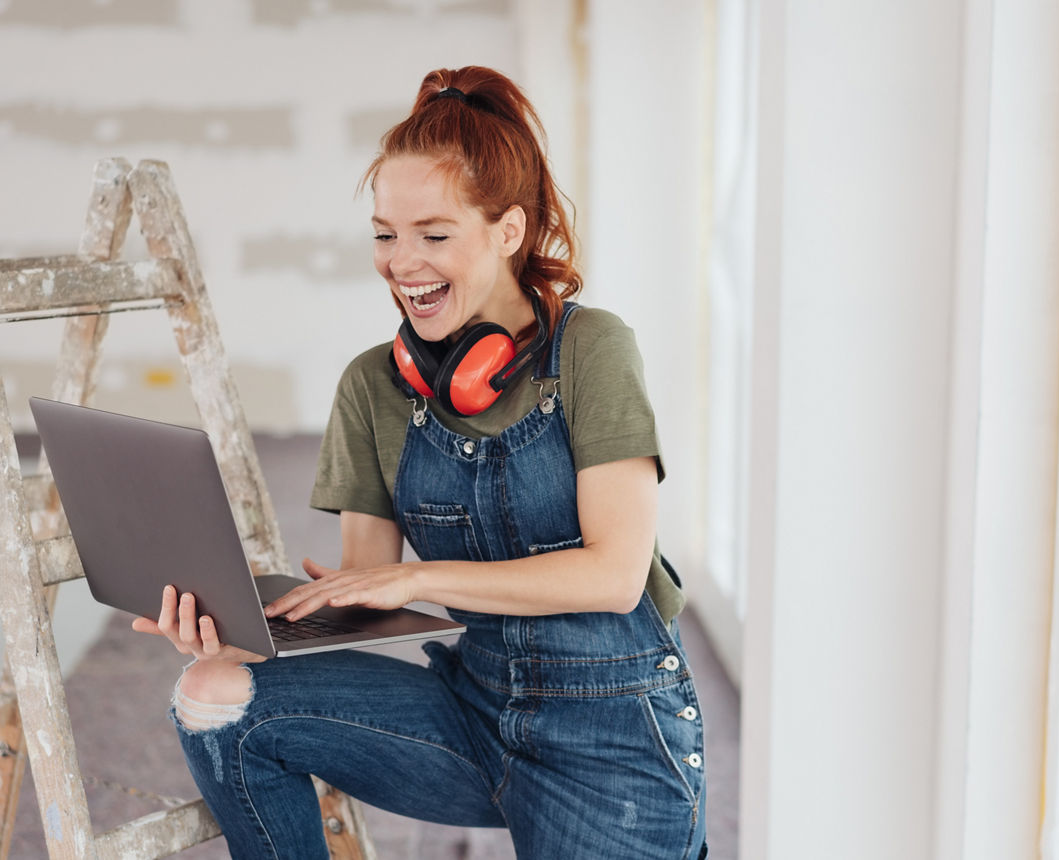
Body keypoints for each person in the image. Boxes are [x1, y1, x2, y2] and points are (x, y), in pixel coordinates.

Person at [132, 65, 707, 859]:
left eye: (434, 236)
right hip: (474, 711)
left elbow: (613, 575)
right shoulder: (374, 385)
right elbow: (369, 584)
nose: (402, 263)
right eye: (385, 234)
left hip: (612, 735)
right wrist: (243, 628)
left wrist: (418, 578)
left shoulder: (591, 351)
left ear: (508, 231)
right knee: (215, 695)